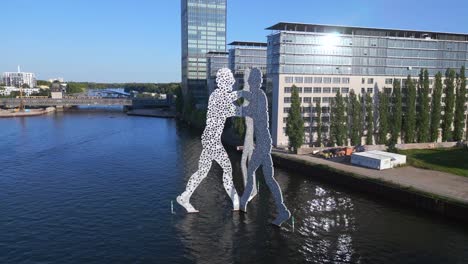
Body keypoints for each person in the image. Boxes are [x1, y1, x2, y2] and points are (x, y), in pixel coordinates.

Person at [177, 68, 242, 213]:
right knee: (227, 169)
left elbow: (231, 98)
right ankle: (237, 203)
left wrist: (243, 94)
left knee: (203, 171)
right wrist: (247, 108)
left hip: (210, 138)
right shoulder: (218, 95)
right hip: (212, 139)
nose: (231, 83)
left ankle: (185, 197)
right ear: (224, 82)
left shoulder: (219, 94)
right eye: (229, 80)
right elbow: (232, 110)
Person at [239, 68, 291, 226]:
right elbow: (248, 96)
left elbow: (249, 111)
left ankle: (243, 202)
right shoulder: (256, 94)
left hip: (262, 143)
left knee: (254, 173)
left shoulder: (260, 96)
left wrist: (233, 108)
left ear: (255, 81)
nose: (248, 82)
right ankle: (282, 211)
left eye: (250, 80)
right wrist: (240, 94)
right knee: (268, 177)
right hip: (264, 142)